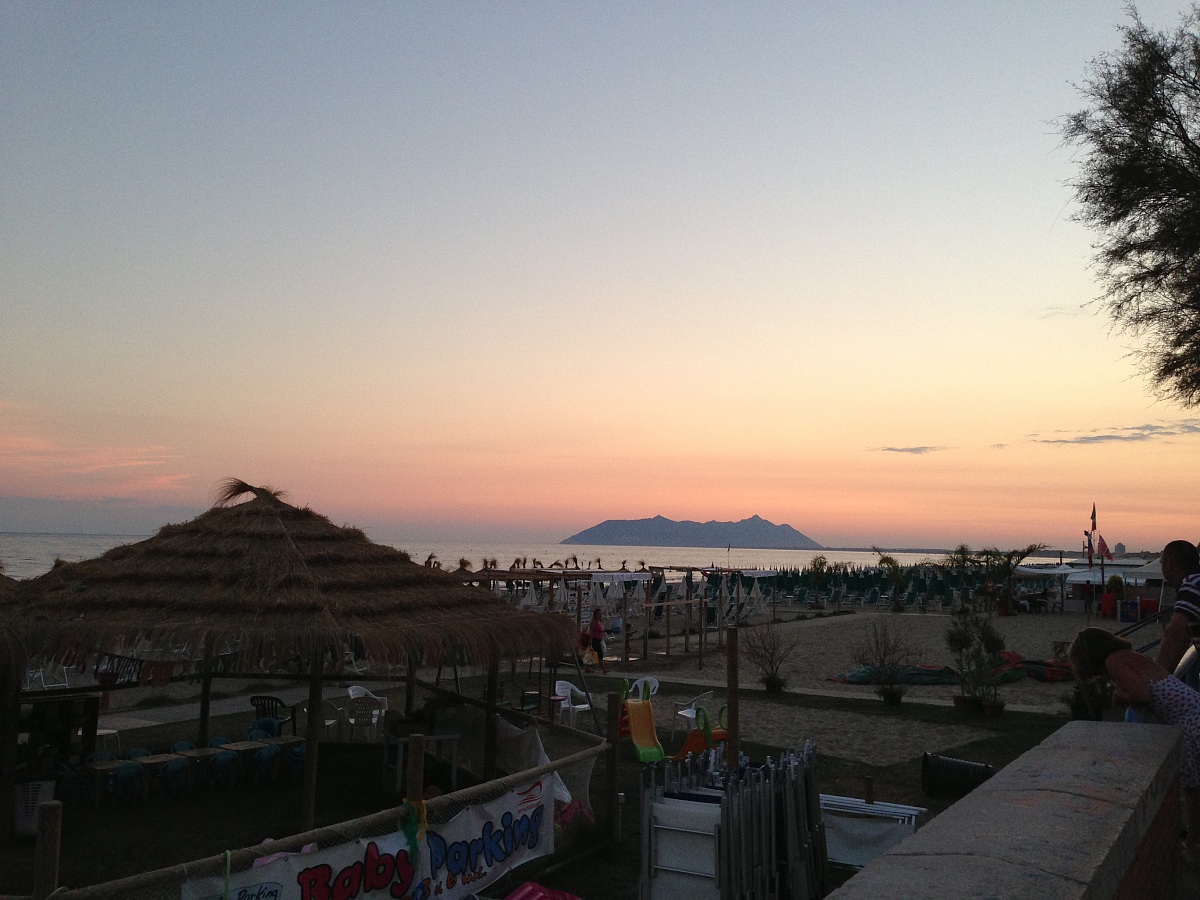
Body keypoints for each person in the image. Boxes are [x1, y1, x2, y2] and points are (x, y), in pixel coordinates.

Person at [1069, 627, 1200, 848]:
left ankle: (1193, 843)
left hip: (1190, 721)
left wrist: (1118, 695)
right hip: (1193, 709)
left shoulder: (1113, 662)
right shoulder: (1130, 656)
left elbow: (1142, 693)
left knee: (1192, 788)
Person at [1155, 540, 1200, 676]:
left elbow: (1174, 633)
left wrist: (1156, 680)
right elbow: (1183, 638)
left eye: (1162, 563)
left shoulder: (1191, 585)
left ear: (1169, 564)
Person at [588, 607, 609, 674]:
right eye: (598, 614)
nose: (600, 615)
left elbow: (599, 630)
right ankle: (603, 669)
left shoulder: (599, 622)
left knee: (595, 655)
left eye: (600, 614)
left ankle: (589, 668)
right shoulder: (593, 622)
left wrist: (605, 631)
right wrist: (590, 641)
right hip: (595, 640)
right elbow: (591, 632)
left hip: (599, 639)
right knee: (598, 654)